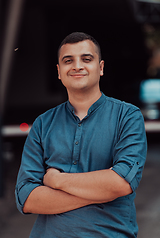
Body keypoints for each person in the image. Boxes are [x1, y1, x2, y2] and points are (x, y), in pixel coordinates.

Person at [15, 32, 147, 238]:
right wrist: (101, 192)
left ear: (101, 68)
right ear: (59, 72)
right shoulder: (43, 123)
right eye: (68, 61)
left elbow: (121, 183)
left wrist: (57, 181)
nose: (77, 66)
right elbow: (26, 198)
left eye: (86, 59)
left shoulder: (127, 116)